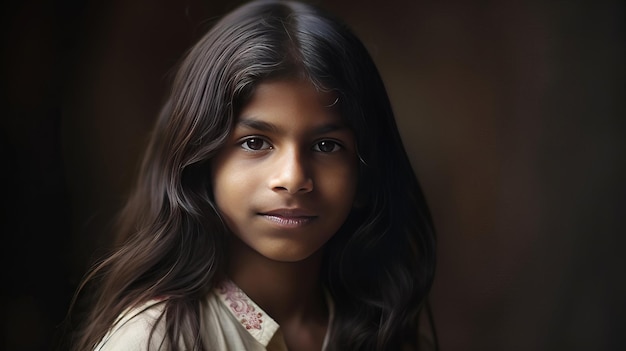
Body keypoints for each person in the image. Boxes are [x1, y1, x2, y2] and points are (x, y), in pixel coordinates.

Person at [66, 0, 437, 350]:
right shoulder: (155, 339)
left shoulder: (380, 330)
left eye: (326, 146)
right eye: (255, 142)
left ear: (364, 169)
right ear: (201, 161)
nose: (293, 178)